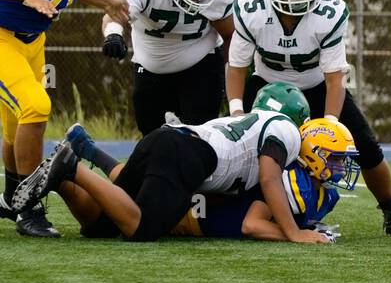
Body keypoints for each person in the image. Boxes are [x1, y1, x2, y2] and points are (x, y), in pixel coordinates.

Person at [227, 0, 391, 238]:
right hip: (267, 88)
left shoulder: (328, 14)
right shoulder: (252, 10)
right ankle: (232, 210)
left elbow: (335, 78)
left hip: (315, 86)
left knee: (364, 146)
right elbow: (237, 66)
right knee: (241, 149)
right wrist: (236, 110)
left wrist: (330, 124)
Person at [12, 82, 331, 245]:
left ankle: (64, 179)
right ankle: (71, 166)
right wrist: (294, 233)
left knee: (99, 226)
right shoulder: (287, 129)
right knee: (140, 229)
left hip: (169, 139)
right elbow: (270, 177)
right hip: (190, 154)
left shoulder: (252, 119)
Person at [0, 0, 127, 236]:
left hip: (32, 41)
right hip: (2, 38)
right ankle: (29, 208)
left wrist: (107, 2)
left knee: (15, 127)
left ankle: (12, 196)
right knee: (36, 107)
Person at [103, 0, 240, 133]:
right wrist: (113, 33)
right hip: (150, 65)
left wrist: (230, 81)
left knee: (198, 138)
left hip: (201, 62)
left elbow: (230, 36)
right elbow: (115, 12)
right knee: (151, 136)